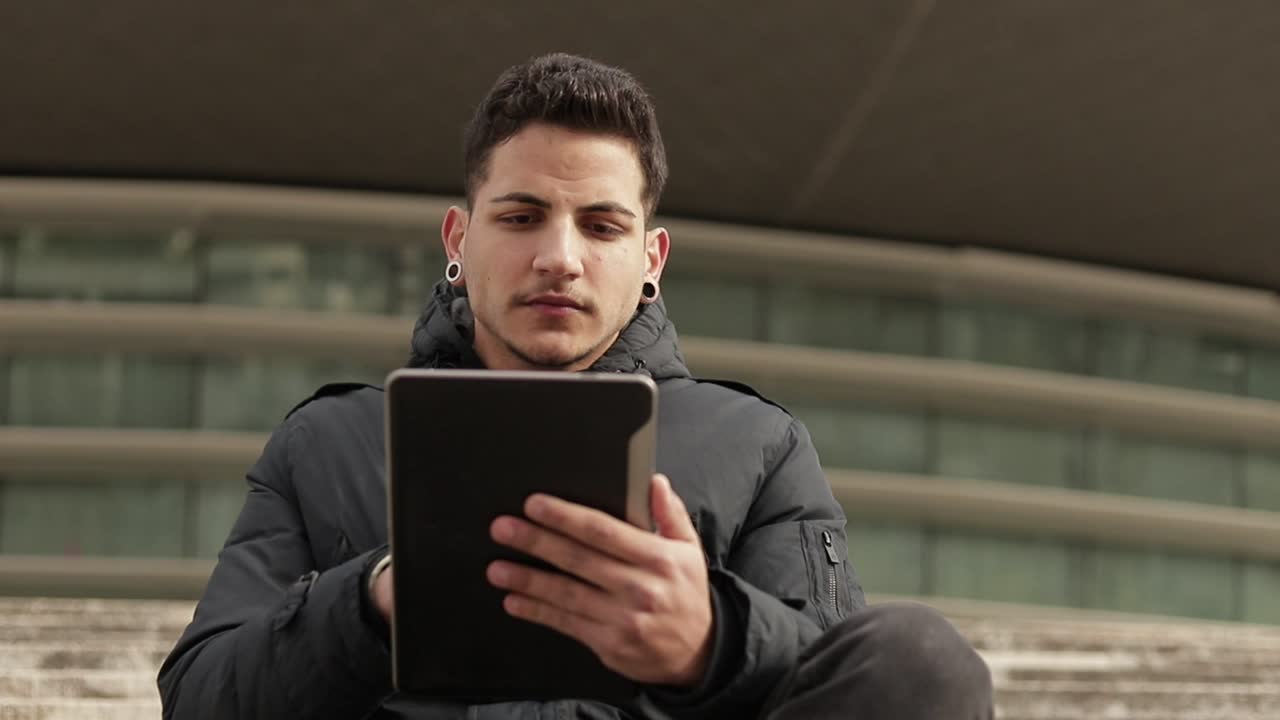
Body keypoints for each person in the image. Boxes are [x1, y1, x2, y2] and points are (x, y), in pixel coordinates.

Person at [157, 52, 993, 719]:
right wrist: (372, 601)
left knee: (921, 662)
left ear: (650, 260)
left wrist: (711, 641)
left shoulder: (759, 445)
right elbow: (198, 699)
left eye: (602, 225)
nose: (560, 257)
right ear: (460, 237)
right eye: (521, 218)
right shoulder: (327, 444)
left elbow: (847, 683)